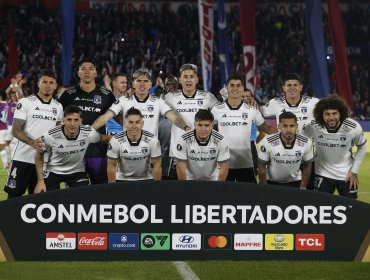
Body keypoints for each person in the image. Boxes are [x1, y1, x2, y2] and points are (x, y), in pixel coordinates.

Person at [4, 69, 64, 199]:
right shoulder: (26, 102)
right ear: (38, 83)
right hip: (22, 158)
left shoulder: (58, 107)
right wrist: (32, 142)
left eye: (51, 82)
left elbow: (58, 133)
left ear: (55, 86)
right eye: (44, 82)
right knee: (13, 197)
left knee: (39, 200)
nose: (47, 85)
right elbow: (16, 130)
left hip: (44, 162)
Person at [58, 58, 116, 184]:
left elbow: (119, 117)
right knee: (74, 190)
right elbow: (57, 119)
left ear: (95, 73)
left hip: (97, 150)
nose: (87, 72)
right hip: (73, 150)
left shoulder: (106, 95)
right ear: (78, 73)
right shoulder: (68, 94)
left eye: (90, 69)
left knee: (99, 187)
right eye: (83, 69)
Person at [211, 75, 277, 182]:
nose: (235, 88)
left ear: (242, 88)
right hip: (223, 165)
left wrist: (284, 132)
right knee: (224, 197)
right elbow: (209, 132)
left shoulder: (251, 110)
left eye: (238, 86)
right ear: (227, 88)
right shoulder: (216, 110)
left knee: (249, 198)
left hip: (246, 164)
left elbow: (266, 128)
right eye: (232, 85)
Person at [34, 105, 111, 193]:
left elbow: (105, 138)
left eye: (76, 120)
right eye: (69, 120)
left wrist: (123, 140)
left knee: (82, 196)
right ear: (63, 120)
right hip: (53, 171)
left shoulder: (88, 133)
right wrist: (40, 181)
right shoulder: (50, 136)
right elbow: (39, 156)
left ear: (81, 121)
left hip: (77, 171)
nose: (72, 124)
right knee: (48, 198)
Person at [302, 96, 367, 199]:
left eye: (334, 113)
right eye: (327, 114)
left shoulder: (353, 127)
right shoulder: (313, 126)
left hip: (347, 175)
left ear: (341, 113)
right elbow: (300, 138)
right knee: (321, 207)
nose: (331, 117)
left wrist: (354, 171)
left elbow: (362, 146)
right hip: (322, 173)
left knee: (350, 208)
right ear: (321, 115)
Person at [92, 69, 190, 137]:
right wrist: (90, 129)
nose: (142, 83)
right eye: (139, 81)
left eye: (145, 81)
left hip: (151, 156)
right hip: (127, 154)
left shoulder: (158, 102)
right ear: (133, 84)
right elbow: (105, 117)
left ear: (150, 84)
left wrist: (186, 128)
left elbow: (174, 117)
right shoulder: (123, 100)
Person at [165, 63, 219, 176]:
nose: (188, 80)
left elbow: (222, 115)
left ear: (197, 79)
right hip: (178, 156)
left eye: (191, 77)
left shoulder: (208, 97)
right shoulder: (170, 97)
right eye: (185, 77)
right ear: (180, 80)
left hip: (203, 157)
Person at [258, 111, 314, 189]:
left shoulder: (306, 142)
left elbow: (308, 167)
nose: (288, 130)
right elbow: (261, 167)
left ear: (297, 126)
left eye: (292, 126)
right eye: (285, 126)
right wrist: (264, 187)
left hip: (295, 183)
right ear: (279, 126)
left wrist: (303, 187)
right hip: (272, 183)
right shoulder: (268, 141)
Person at [107, 108, 162, 182]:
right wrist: (112, 188)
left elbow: (157, 165)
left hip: (146, 179)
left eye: (137, 122)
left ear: (142, 124)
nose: (134, 126)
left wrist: (156, 187)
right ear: (125, 124)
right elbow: (111, 165)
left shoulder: (152, 140)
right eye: (130, 122)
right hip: (122, 180)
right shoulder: (115, 140)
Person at [175, 109, 229, 181]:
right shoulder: (183, 140)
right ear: (194, 124)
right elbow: (180, 165)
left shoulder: (220, 140)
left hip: (213, 179)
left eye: (206, 125)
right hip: (190, 179)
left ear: (212, 125)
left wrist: (219, 187)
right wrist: (184, 186)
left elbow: (224, 166)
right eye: (200, 125)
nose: (203, 129)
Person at [242, 89, 265, 174]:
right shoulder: (232, 111)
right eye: (243, 96)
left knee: (252, 173)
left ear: (252, 97)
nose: (245, 98)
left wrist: (254, 142)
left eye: (248, 96)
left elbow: (262, 133)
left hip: (251, 146)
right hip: (235, 146)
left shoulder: (255, 111)